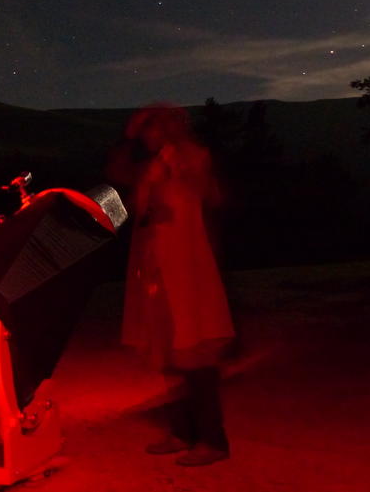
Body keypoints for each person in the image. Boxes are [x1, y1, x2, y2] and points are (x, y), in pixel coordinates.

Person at [110, 103, 235, 467]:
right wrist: (128, 138)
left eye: (153, 128)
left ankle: (212, 440)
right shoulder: (152, 165)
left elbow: (210, 193)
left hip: (187, 268)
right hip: (157, 267)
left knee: (194, 347)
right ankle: (182, 432)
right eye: (146, 130)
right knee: (167, 350)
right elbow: (120, 178)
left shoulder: (191, 156)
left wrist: (176, 150)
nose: (148, 136)